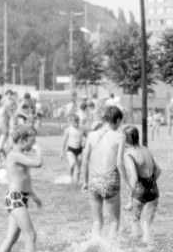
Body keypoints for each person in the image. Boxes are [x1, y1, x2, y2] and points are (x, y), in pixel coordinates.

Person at [0, 126, 43, 252]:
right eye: (32, 141)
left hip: (20, 198)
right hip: (15, 198)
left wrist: (34, 197)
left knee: (12, 238)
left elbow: (25, 179)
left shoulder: (21, 155)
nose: (34, 144)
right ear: (23, 140)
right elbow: (38, 163)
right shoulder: (15, 155)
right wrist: (39, 151)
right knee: (31, 235)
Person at [82, 104, 126, 236]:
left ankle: (94, 245)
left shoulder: (91, 135)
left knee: (96, 222)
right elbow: (119, 163)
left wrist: (84, 182)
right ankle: (111, 250)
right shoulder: (120, 137)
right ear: (118, 121)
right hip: (110, 180)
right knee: (114, 221)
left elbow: (84, 162)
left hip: (94, 181)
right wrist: (128, 184)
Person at [122, 125, 161, 244]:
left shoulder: (128, 154)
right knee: (147, 225)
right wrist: (152, 184)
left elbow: (133, 176)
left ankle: (136, 251)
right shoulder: (146, 149)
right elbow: (158, 170)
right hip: (153, 189)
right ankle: (149, 248)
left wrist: (130, 198)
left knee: (135, 221)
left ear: (125, 140)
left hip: (139, 189)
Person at [60, 114, 85, 186]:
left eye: (78, 122)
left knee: (78, 170)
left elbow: (88, 137)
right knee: (72, 163)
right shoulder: (68, 130)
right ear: (70, 122)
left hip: (79, 150)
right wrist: (62, 152)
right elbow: (64, 141)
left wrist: (85, 143)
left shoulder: (82, 129)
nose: (76, 124)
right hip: (71, 150)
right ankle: (70, 177)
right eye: (74, 123)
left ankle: (76, 183)